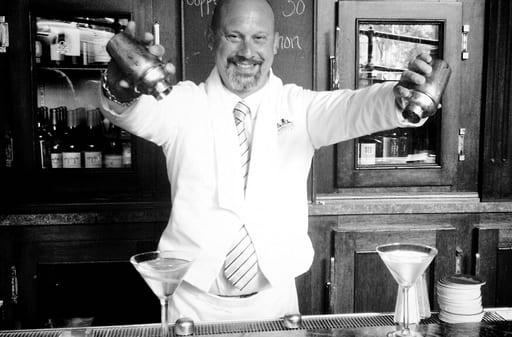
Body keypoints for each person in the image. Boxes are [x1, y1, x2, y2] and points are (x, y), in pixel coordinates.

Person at [99, 0, 437, 322]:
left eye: (259, 38)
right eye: (234, 36)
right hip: (192, 302)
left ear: (275, 43)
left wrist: (398, 96)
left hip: (275, 302)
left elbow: (357, 108)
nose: (247, 52)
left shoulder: (301, 110)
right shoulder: (181, 105)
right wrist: (118, 86)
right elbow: (127, 111)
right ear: (211, 38)